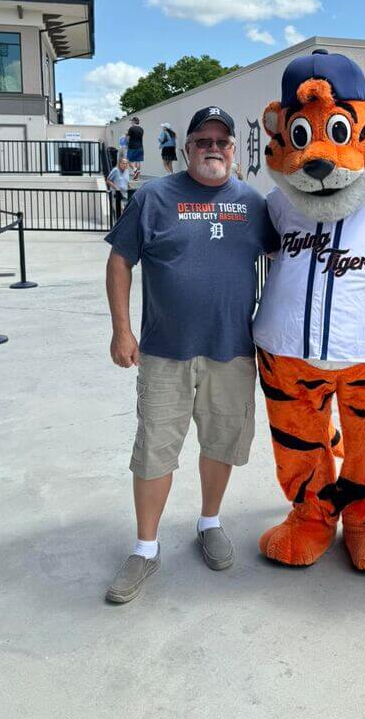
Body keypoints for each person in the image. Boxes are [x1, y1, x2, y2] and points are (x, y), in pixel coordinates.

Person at [103, 105, 279, 604]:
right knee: (155, 446)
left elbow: (285, 258)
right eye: (203, 140)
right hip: (164, 351)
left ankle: (209, 522)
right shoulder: (155, 196)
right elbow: (120, 261)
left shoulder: (251, 203)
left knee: (221, 442)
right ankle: (145, 547)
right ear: (187, 148)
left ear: (232, 150)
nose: (214, 149)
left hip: (232, 351)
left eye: (222, 142)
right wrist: (121, 331)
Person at [106, 156, 132, 221]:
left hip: (125, 195)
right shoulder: (115, 170)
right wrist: (116, 188)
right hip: (117, 195)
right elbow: (108, 180)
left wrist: (131, 188)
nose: (125, 165)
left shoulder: (127, 171)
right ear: (120, 163)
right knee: (121, 211)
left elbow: (127, 182)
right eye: (123, 163)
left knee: (125, 211)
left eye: (126, 163)